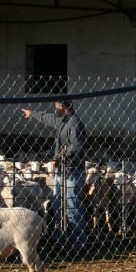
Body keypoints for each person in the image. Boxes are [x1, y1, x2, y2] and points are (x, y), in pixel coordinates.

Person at [21, 100, 87, 252]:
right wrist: (33, 114)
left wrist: (57, 158)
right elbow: (49, 118)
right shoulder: (64, 121)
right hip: (62, 170)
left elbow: (76, 146)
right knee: (58, 206)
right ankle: (59, 242)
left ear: (62, 108)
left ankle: (80, 244)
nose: (54, 111)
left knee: (72, 207)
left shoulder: (75, 124)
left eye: (56, 108)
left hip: (72, 171)